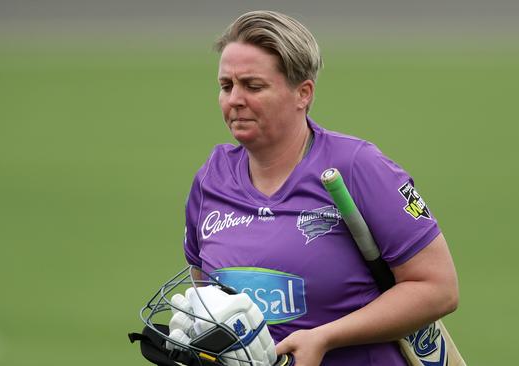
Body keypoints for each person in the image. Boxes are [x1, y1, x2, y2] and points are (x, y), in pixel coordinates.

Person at [183, 10, 459, 366]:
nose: (235, 99)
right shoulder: (212, 178)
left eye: (253, 86)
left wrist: (324, 338)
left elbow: (438, 289)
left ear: (303, 93)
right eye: (226, 86)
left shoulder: (358, 166)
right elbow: (204, 283)